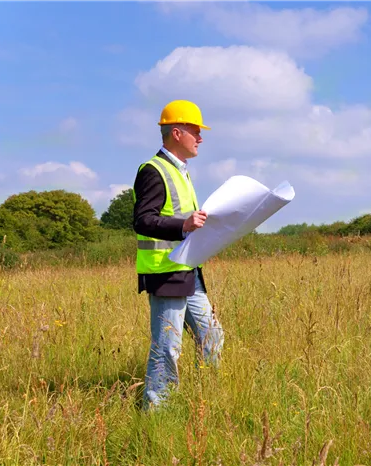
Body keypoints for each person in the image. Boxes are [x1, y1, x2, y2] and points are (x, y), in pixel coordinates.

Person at [132, 99, 224, 410]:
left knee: (212, 337)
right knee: (167, 348)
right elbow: (143, 219)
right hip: (165, 272)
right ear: (176, 133)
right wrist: (182, 224)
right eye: (195, 131)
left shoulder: (181, 172)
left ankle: (206, 401)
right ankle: (156, 412)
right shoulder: (153, 170)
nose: (200, 137)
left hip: (189, 272)